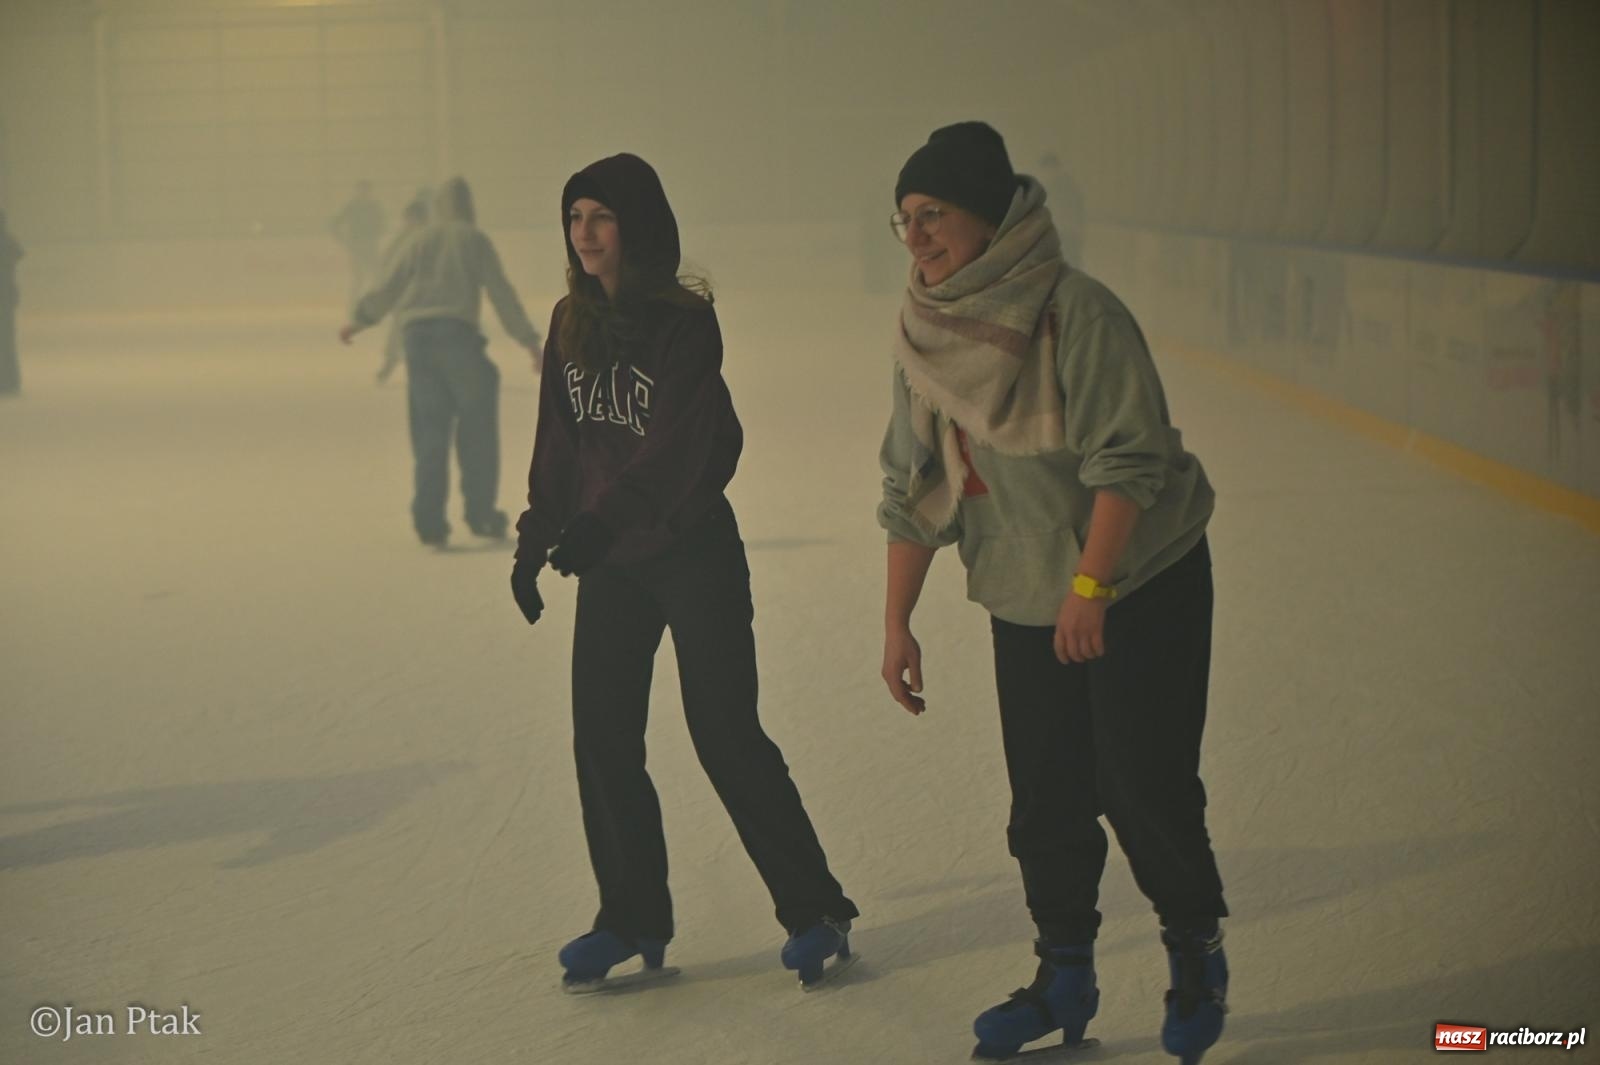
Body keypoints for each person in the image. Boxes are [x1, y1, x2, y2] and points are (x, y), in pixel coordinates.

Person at [876, 122, 1229, 1063]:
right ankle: (1064, 972)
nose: (915, 237)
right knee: (1047, 798)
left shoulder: (1078, 313)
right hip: (1028, 591)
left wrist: (1092, 585)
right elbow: (913, 490)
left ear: (988, 212)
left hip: (1139, 579)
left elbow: (1128, 461)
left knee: (1141, 784)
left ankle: (1195, 949)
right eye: (903, 220)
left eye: (933, 213)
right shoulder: (924, 337)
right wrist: (895, 621)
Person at [509, 153, 858, 992]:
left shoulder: (684, 323)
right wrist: (536, 534)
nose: (584, 234)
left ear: (639, 225)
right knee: (603, 738)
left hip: (692, 549)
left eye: (600, 217)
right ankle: (631, 915)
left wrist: (600, 521)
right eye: (574, 218)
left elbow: (677, 447)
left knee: (726, 735)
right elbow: (560, 440)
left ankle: (816, 909)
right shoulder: (568, 321)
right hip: (613, 562)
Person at [340, 177, 541, 546]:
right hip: (457, 338)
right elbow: (500, 292)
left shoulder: (418, 240)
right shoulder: (473, 238)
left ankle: (429, 520)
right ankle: (481, 515)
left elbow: (389, 286)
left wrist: (361, 318)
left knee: (430, 430)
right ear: (468, 205)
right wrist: (529, 341)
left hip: (417, 342)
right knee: (477, 426)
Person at [374, 190, 431, 385]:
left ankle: (399, 365)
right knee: (400, 329)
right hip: (408, 294)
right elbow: (388, 262)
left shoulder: (430, 237)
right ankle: (390, 363)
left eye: (409, 219)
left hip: (423, 295)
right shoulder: (404, 237)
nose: (406, 223)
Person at [329, 180, 386, 306]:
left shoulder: (375, 206)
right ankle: (354, 302)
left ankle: (374, 300)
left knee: (375, 275)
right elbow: (335, 224)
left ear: (369, 191)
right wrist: (343, 240)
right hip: (356, 247)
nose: (363, 193)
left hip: (370, 246)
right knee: (359, 277)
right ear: (357, 191)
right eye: (361, 190)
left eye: (365, 190)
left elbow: (382, 225)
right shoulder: (352, 206)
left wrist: (375, 233)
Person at [0, 208, 21, 396]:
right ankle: (10, 382)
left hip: (4, 295)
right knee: (7, 340)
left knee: (5, 340)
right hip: (7, 295)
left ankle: (6, 382)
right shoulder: (8, 242)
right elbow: (20, 253)